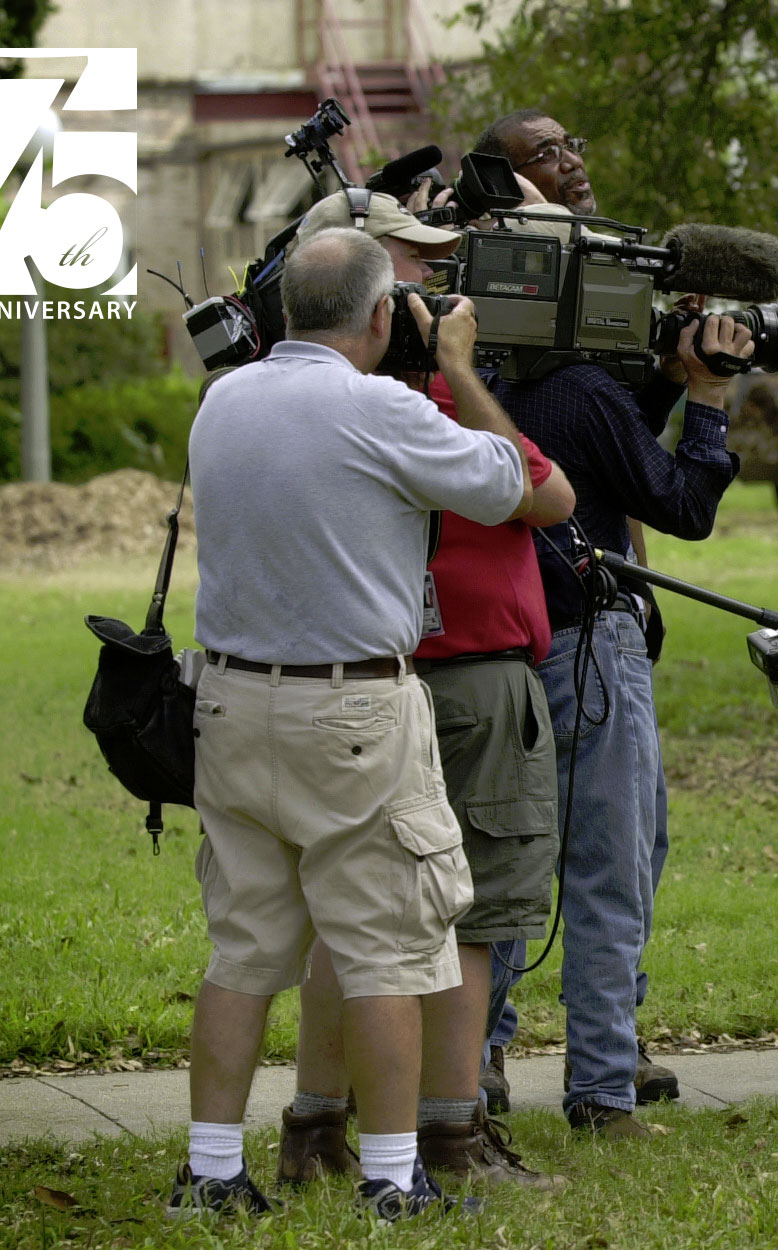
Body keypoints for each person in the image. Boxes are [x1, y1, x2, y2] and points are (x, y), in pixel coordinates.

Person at [173, 227, 528, 1219]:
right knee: (384, 950)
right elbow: (507, 482)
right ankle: (389, 1174)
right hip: (355, 705)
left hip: (232, 700)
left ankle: (208, 1170)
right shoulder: (377, 408)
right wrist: (452, 362)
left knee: (242, 950)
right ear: (382, 316)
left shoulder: (221, 400)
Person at [271, 193, 573, 1192]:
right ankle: (454, 1132)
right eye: (412, 275)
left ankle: (315, 1124)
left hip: (361, 683)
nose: (434, 294)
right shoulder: (408, 400)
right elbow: (547, 496)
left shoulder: (279, 398)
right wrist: (456, 368)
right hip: (471, 679)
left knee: (345, 918)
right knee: (472, 912)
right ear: (363, 294)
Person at [492, 300, 754, 1139]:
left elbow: (599, 459)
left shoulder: (460, 379)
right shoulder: (581, 388)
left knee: (497, 868)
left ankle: (475, 1064)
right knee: (611, 865)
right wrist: (708, 396)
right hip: (588, 643)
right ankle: (604, 1089)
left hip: (490, 648)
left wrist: (662, 385)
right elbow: (682, 504)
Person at [473, 110, 595, 215]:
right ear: (507, 184)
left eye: (571, 145)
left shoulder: (604, 240)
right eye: (548, 153)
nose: (575, 162)